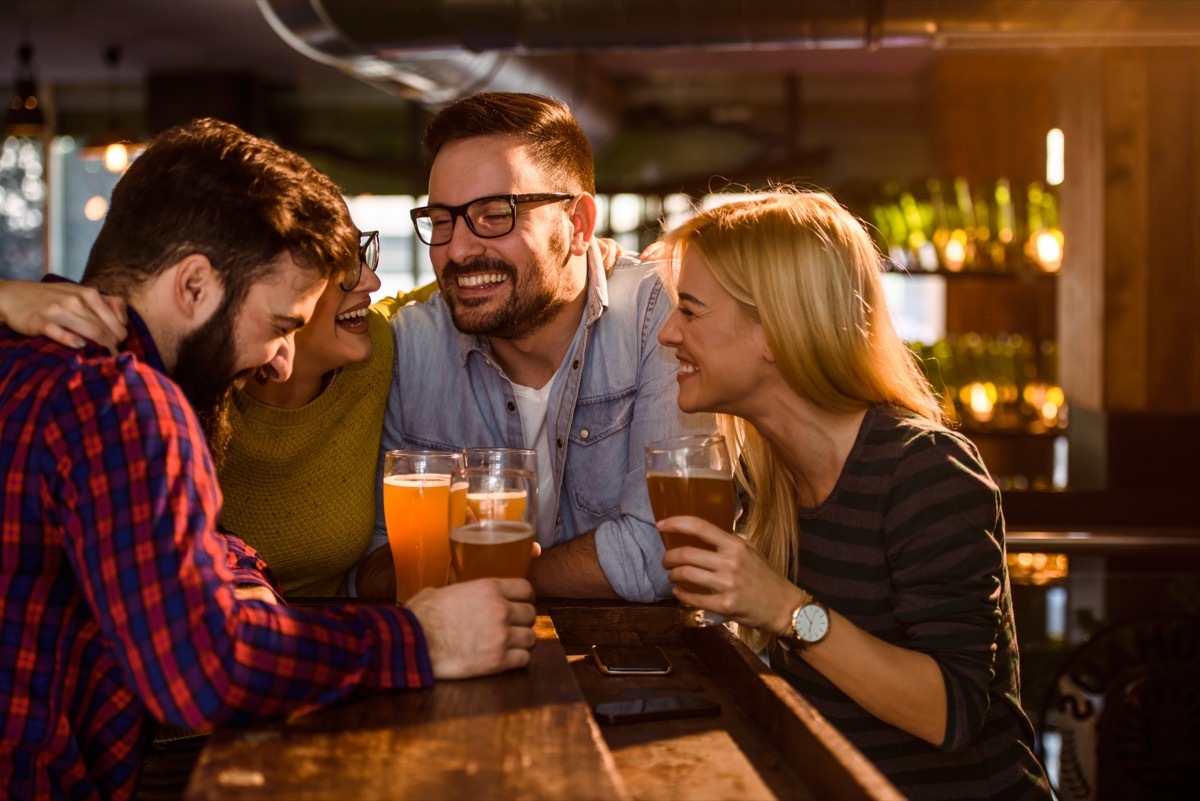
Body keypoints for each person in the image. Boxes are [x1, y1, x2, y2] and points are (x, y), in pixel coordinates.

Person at [0, 118, 536, 799]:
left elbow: (161, 545)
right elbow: (204, 671)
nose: (280, 361)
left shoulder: (25, 359)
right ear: (194, 285)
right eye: (281, 325)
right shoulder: (127, 403)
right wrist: (422, 639)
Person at [652, 190, 1051, 799]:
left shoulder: (926, 469)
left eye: (690, 310)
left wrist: (786, 611)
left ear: (775, 330)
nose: (667, 333)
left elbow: (950, 713)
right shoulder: (765, 476)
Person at [356, 92, 714, 603]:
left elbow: (662, 552)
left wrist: (490, 580)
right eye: (440, 221)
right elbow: (375, 564)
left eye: (494, 214)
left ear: (578, 225)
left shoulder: (660, 317)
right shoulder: (411, 345)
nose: (458, 249)